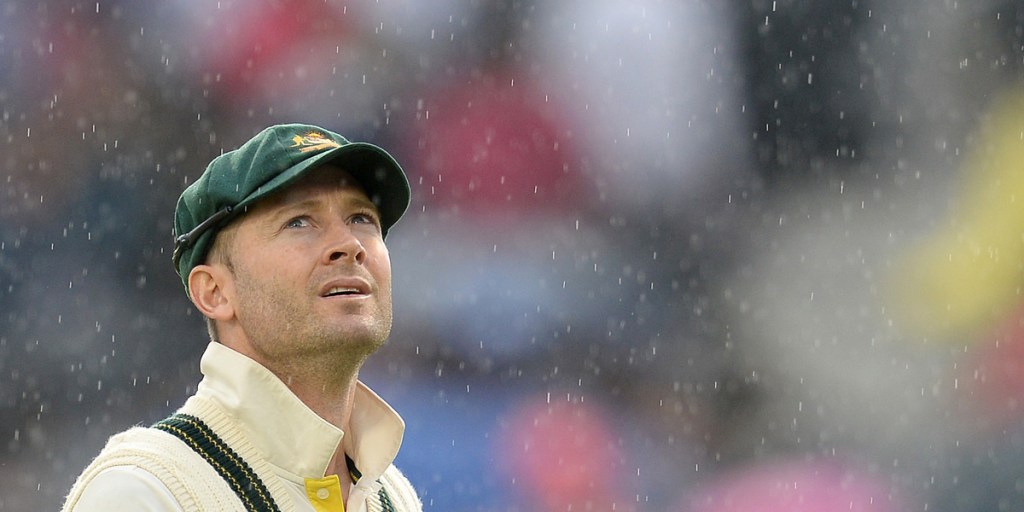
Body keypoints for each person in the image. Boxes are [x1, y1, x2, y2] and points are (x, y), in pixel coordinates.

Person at [61, 124, 423, 512]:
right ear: (214, 292)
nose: (349, 245)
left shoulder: (393, 496)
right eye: (298, 221)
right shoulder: (145, 492)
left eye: (361, 218)